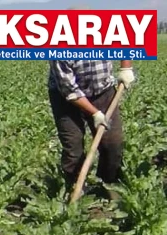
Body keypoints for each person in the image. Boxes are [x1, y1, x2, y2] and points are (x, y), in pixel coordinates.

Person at [47, 58, 135, 200]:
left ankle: (109, 183)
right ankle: (75, 185)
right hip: (66, 98)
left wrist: (126, 68)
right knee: (73, 147)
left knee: (112, 143)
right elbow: (69, 90)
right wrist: (95, 113)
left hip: (103, 91)